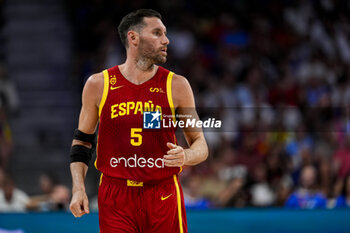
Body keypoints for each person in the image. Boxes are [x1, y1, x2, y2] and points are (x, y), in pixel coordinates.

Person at [69, 9, 208, 233]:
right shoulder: (98, 84)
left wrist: (186, 155)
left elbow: (200, 144)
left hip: (162, 192)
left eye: (165, 33)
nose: (166, 40)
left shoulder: (177, 85)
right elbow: (82, 142)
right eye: (157, 33)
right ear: (133, 37)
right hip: (116, 195)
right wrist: (78, 188)